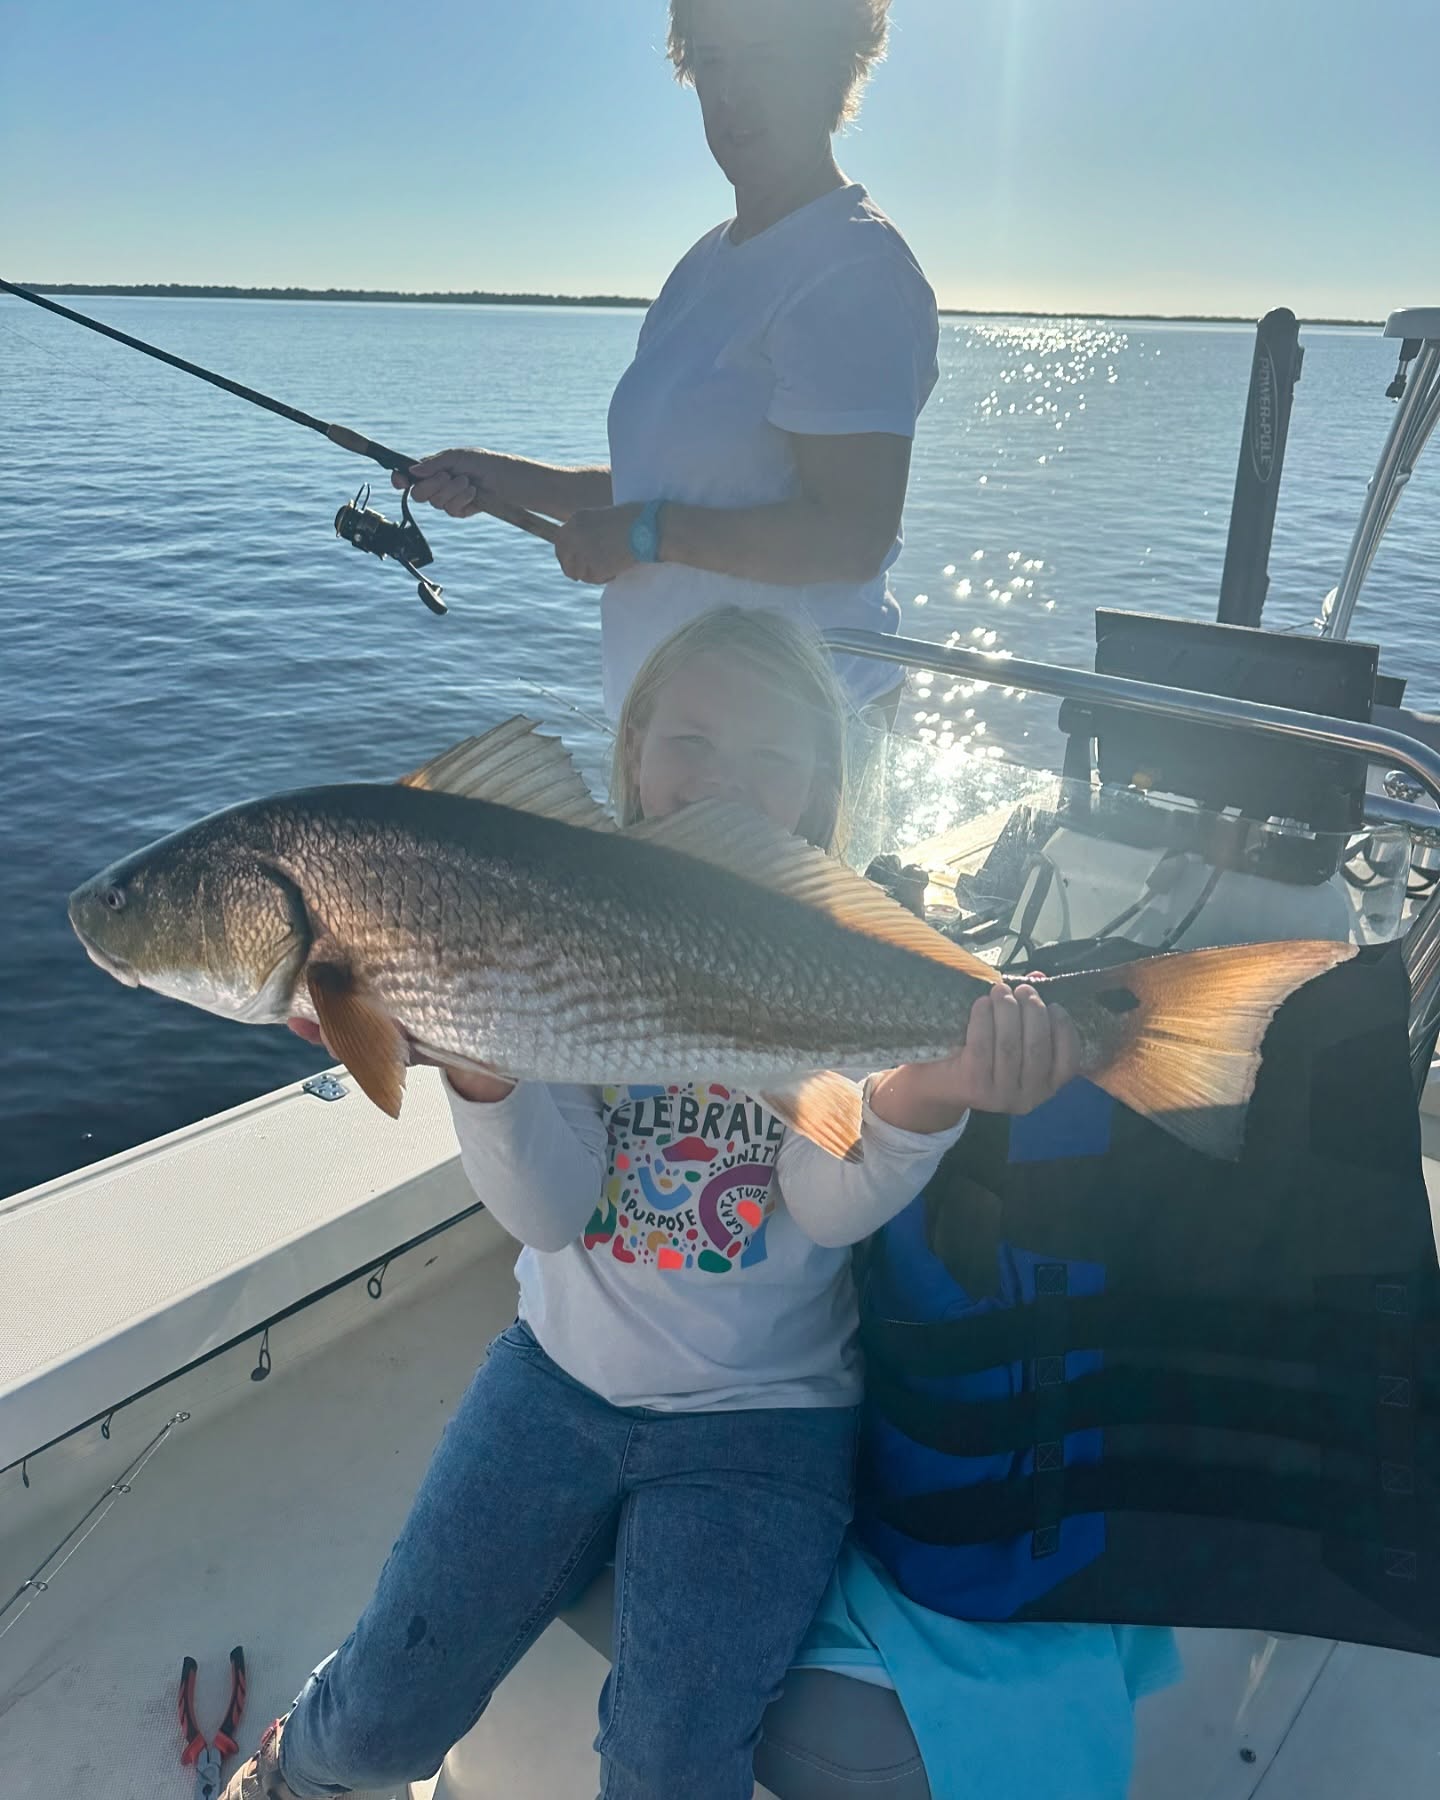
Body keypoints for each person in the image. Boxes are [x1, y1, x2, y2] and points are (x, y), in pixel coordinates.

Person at [224, 607, 1078, 1800]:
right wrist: (474, 1053)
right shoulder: (537, 912)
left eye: (770, 758)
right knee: (373, 1725)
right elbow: (549, 1209)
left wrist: (936, 1088)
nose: (723, 778)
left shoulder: (831, 948)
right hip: (553, 1380)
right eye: (691, 740)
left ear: (821, 788)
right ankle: (293, 1768)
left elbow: (829, 1209)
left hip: (767, 1421)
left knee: (673, 1768)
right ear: (630, 753)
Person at [395, 0, 938, 721]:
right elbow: (666, 489)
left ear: (837, 67)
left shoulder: (853, 267)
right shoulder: (704, 264)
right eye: (713, 59)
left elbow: (851, 536)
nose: (734, 92)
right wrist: (501, 476)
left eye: (769, 57)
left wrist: (644, 534)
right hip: (665, 737)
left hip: (791, 747)